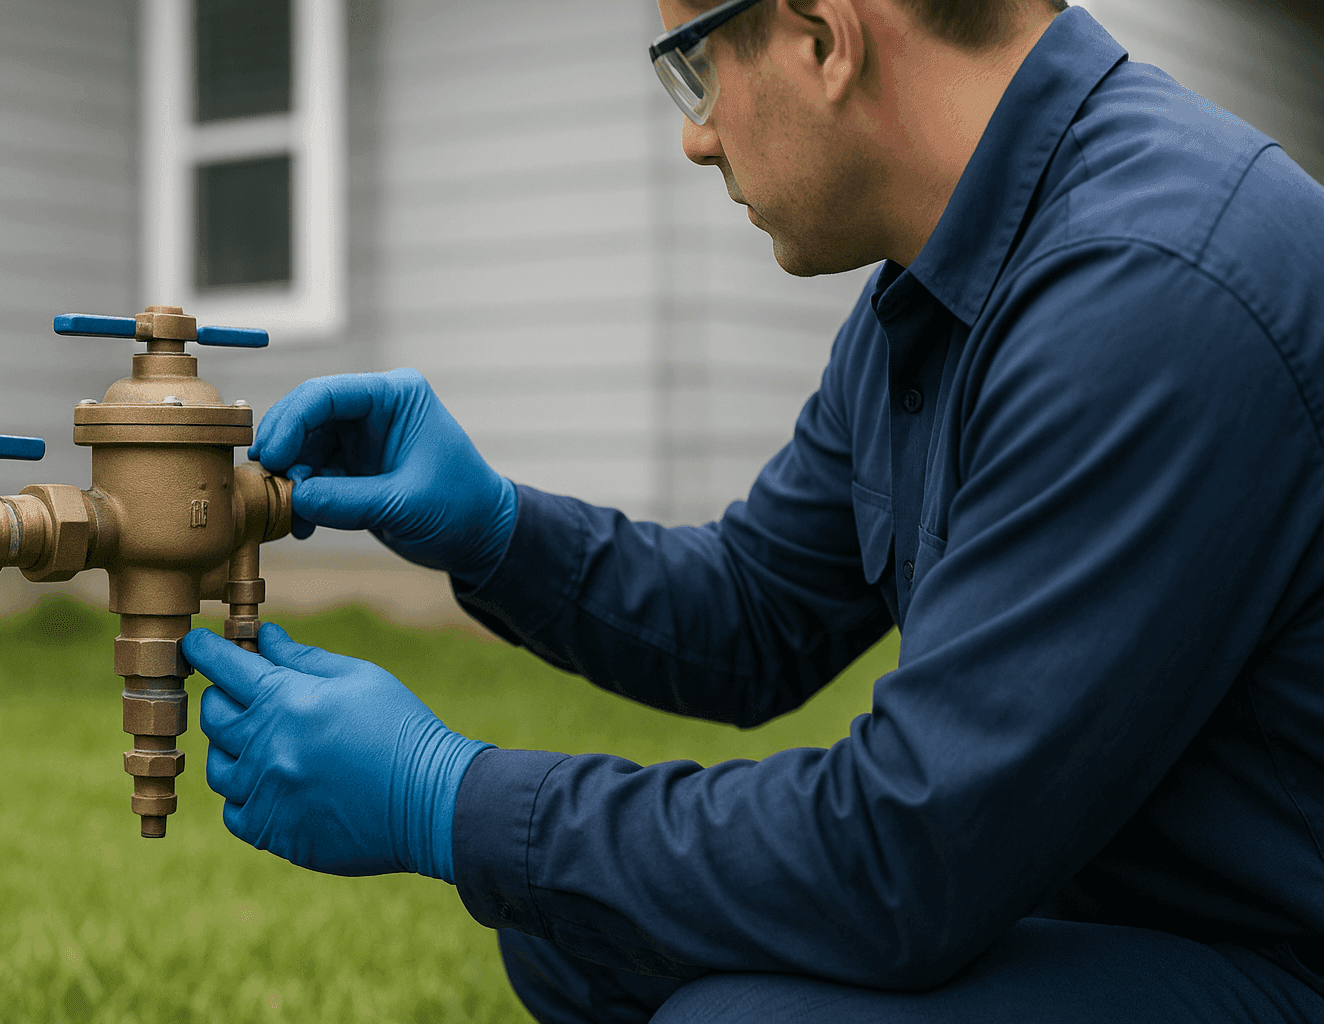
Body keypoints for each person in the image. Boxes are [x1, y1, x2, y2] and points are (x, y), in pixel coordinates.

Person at [179, 0, 1324, 1020]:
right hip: (1085, 900)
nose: (695, 135)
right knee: (571, 935)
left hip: (1268, 953)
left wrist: (444, 796)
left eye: (694, 66)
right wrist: (496, 528)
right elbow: (754, 608)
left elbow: (906, 855)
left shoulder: (1154, 288)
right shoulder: (934, 285)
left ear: (824, 37)